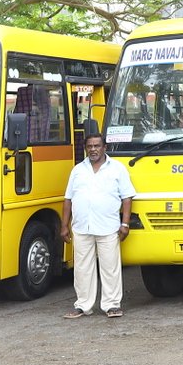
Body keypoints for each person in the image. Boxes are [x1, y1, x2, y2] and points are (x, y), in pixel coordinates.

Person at [62, 131, 136, 319]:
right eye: (90, 146)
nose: (93, 149)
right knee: (82, 269)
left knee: (110, 267)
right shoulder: (78, 170)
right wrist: (64, 225)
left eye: (97, 146)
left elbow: (127, 198)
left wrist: (125, 223)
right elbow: (68, 199)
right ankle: (83, 305)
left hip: (108, 227)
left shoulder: (117, 169)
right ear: (86, 149)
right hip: (81, 227)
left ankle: (111, 305)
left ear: (105, 148)